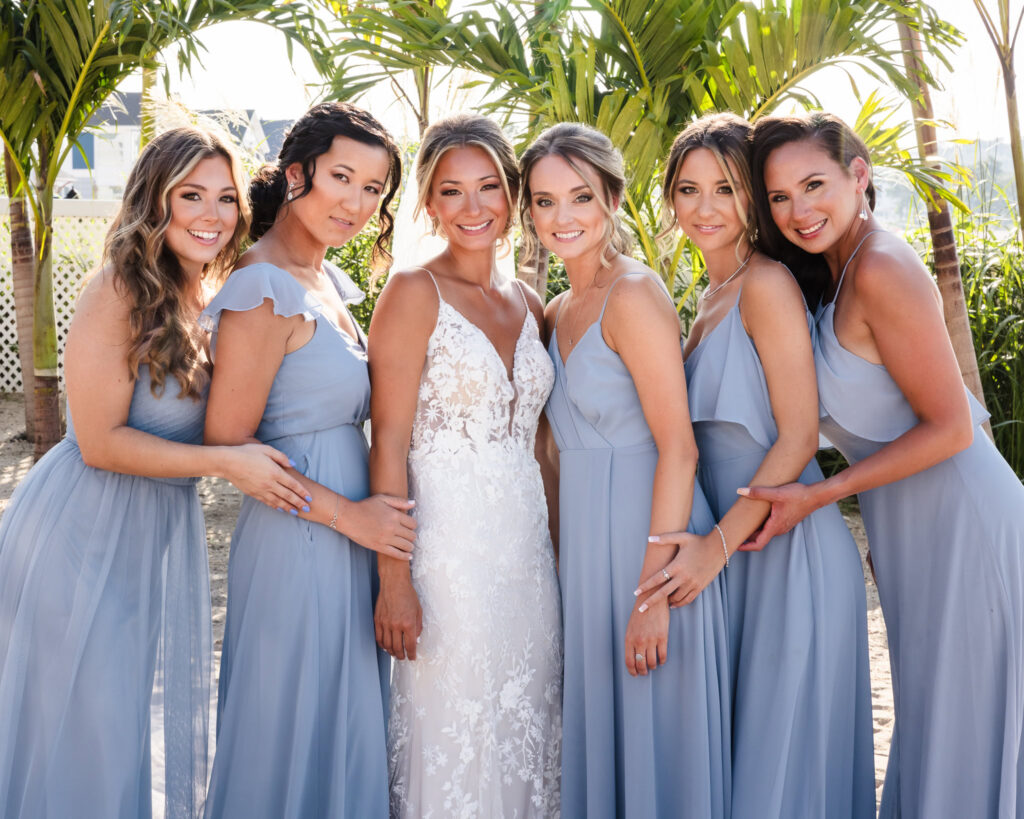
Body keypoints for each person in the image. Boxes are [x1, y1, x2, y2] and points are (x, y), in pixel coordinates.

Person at [0, 127, 309, 819]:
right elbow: (100, 442)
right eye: (190, 194)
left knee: (114, 728)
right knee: (87, 731)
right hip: (78, 533)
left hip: (151, 536)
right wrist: (226, 463)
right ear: (154, 200)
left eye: (226, 198)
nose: (212, 213)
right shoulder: (118, 286)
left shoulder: (212, 294)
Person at [744, 111, 1024, 819]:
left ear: (858, 175)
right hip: (912, 526)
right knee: (936, 713)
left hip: (966, 519)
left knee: (970, 719)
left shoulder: (882, 267)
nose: (799, 210)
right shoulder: (835, 274)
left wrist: (824, 493)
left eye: (814, 184)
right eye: (779, 197)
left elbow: (954, 425)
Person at [636, 112, 874, 818]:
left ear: (750, 199)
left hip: (785, 546)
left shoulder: (766, 283)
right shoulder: (709, 295)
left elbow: (798, 436)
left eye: (726, 189)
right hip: (742, 549)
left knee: (781, 773)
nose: (704, 208)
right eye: (688, 188)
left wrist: (714, 545)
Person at [200, 102, 413, 818]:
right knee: (290, 731)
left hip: (348, 541)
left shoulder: (325, 281)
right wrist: (351, 517)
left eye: (374, 188)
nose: (357, 202)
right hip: (300, 543)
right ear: (298, 174)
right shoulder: (263, 286)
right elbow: (230, 445)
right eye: (342, 178)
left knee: (336, 728)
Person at [523, 121, 730, 818]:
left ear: (612, 198)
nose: (562, 218)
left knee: (657, 744)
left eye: (580, 197)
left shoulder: (634, 294)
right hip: (587, 551)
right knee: (603, 737)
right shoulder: (554, 310)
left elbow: (680, 446)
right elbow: (550, 451)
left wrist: (650, 597)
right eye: (544, 202)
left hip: (652, 544)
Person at [369, 113, 562, 817]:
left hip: (529, 562)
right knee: (453, 735)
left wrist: (564, 555)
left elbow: (542, 447)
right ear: (429, 203)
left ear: (513, 196)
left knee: (531, 726)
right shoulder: (413, 294)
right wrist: (395, 579)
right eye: (453, 191)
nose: (474, 207)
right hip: (446, 565)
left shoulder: (530, 302)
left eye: (489, 188)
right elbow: (386, 441)